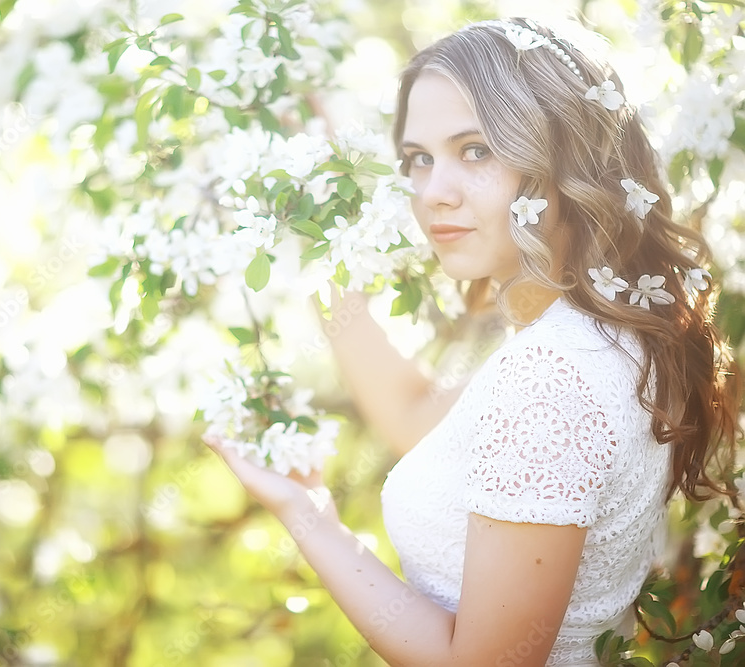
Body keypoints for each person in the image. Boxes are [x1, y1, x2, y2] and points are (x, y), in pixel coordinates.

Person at [204, 16, 742, 666]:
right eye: (417, 159)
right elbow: (419, 419)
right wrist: (319, 224)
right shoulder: (607, 333)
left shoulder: (553, 373)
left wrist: (307, 512)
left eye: (476, 150)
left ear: (562, 153)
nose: (433, 192)